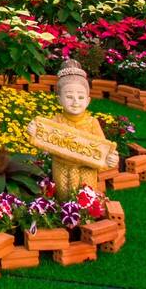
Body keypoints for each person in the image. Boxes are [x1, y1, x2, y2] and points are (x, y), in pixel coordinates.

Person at [27, 60, 119, 194]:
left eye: (80, 97)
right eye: (69, 96)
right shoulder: (55, 121)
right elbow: (43, 139)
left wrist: (110, 159)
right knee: (63, 197)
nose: (75, 102)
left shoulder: (92, 123)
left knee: (85, 198)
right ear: (59, 100)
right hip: (62, 169)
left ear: (88, 101)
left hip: (86, 171)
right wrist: (34, 132)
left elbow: (103, 152)